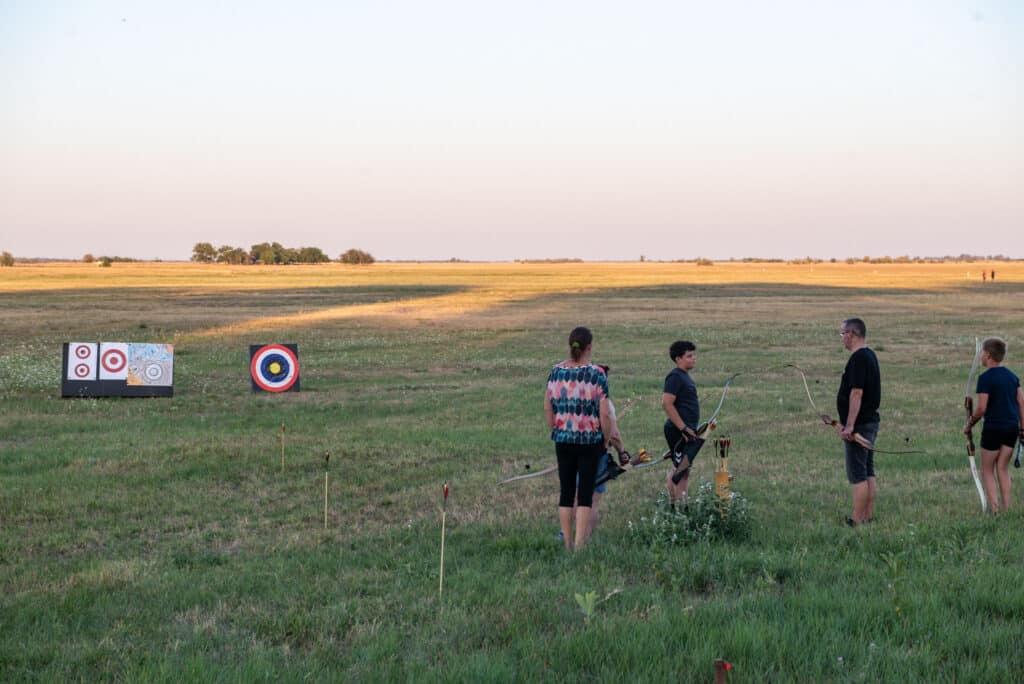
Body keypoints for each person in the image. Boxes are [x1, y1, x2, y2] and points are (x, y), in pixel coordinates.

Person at [545, 327, 612, 551]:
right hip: (589, 441)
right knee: (584, 494)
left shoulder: (556, 371)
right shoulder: (597, 374)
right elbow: (604, 413)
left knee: (566, 493)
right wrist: (606, 438)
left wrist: (555, 430)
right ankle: (580, 544)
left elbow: (548, 407)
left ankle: (566, 543)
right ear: (589, 347)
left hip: (563, 439)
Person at [964, 337, 1024, 512]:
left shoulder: (985, 378)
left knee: (987, 469)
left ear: (988, 355)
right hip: (1011, 428)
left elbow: (981, 408)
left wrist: (969, 424)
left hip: (994, 429)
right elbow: (1021, 402)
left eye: (982, 352)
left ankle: (995, 511)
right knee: (1002, 468)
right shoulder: (1013, 377)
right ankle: (1006, 509)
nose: (980, 355)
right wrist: (1022, 428)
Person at [837, 318, 881, 526]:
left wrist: (849, 426)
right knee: (867, 470)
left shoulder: (858, 359)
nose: (842, 338)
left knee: (858, 475)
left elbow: (856, 393)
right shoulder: (869, 354)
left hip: (860, 426)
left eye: (842, 333)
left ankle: (856, 520)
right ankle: (868, 516)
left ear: (852, 334)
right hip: (869, 422)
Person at [663, 340, 701, 509]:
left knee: (681, 468)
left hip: (686, 432)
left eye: (694, 355)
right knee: (682, 471)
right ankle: (680, 510)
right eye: (689, 356)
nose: (694, 358)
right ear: (678, 359)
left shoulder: (684, 376)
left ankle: (675, 506)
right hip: (679, 432)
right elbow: (667, 404)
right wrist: (683, 428)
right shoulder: (675, 377)